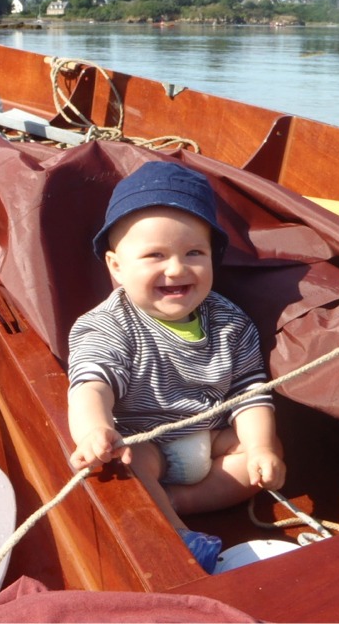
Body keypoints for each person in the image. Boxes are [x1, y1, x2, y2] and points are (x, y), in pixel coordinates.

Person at [67, 160, 286, 573]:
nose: (176, 269)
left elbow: (250, 393)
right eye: (155, 255)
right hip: (145, 442)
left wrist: (258, 448)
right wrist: (94, 430)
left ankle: (180, 501)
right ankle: (177, 531)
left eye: (194, 253)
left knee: (264, 454)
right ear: (116, 266)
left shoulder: (231, 322)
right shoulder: (108, 325)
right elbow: (91, 384)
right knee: (130, 464)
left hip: (207, 436)